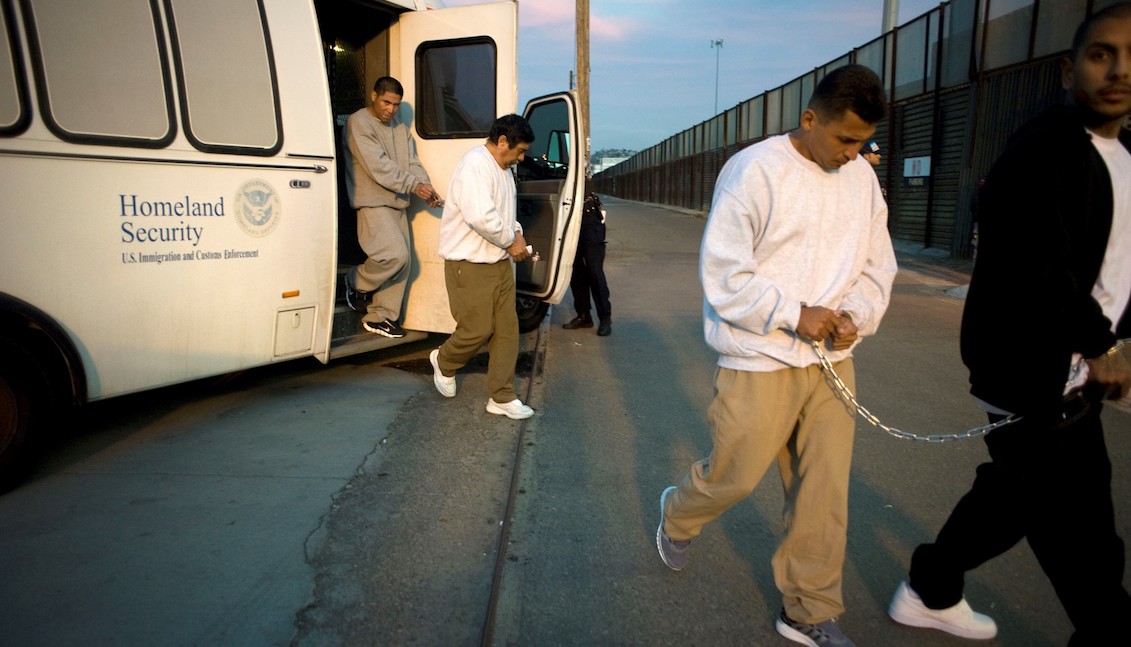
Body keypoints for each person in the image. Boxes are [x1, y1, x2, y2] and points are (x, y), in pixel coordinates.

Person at [887, 6, 1131, 645]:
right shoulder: (1046, 147)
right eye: (1102, 53)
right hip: (1030, 368)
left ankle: (929, 587)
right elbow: (1034, 258)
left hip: (1072, 371)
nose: (1120, 69)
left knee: (1016, 496)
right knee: (1083, 540)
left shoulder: (1123, 152)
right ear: (1068, 66)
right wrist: (1101, 342)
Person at [655, 64, 896, 647]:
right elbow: (724, 274)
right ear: (809, 119)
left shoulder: (862, 179)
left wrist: (856, 316)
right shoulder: (755, 172)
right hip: (758, 357)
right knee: (734, 477)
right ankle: (678, 514)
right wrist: (794, 312)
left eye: (863, 144)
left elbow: (876, 264)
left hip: (832, 365)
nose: (853, 154)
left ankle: (809, 610)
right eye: (844, 140)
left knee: (822, 491)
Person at [428, 114, 537, 420]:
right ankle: (444, 361)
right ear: (503, 141)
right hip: (468, 263)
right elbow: (481, 216)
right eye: (520, 150)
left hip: (498, 262)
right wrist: (510, 241)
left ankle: (501, 397)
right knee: (476, 329)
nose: (522, 157)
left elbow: (504, 213)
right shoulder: (475, 164)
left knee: (506, 331)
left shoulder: (504, 170)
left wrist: (516, 233)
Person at [342, 76, 441, 338]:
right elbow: (377, 166)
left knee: (404, 264)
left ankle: (379, 317)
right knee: (394, 255)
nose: (391, 109)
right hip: (372, 201)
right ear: (374, 96)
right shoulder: (358, 122)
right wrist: (412, 185)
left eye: (396, 105)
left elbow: (412, 161)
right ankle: (354, 281)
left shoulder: (398, 128)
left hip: (397, 202)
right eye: (387, 102)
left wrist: (425, 186)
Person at [562, 189, 612, 336]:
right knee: (576, 271)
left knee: (594, 270)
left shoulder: (582, 167)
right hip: (570, 218)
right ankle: (584, 315)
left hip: (589, 218)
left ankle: (605, 317)